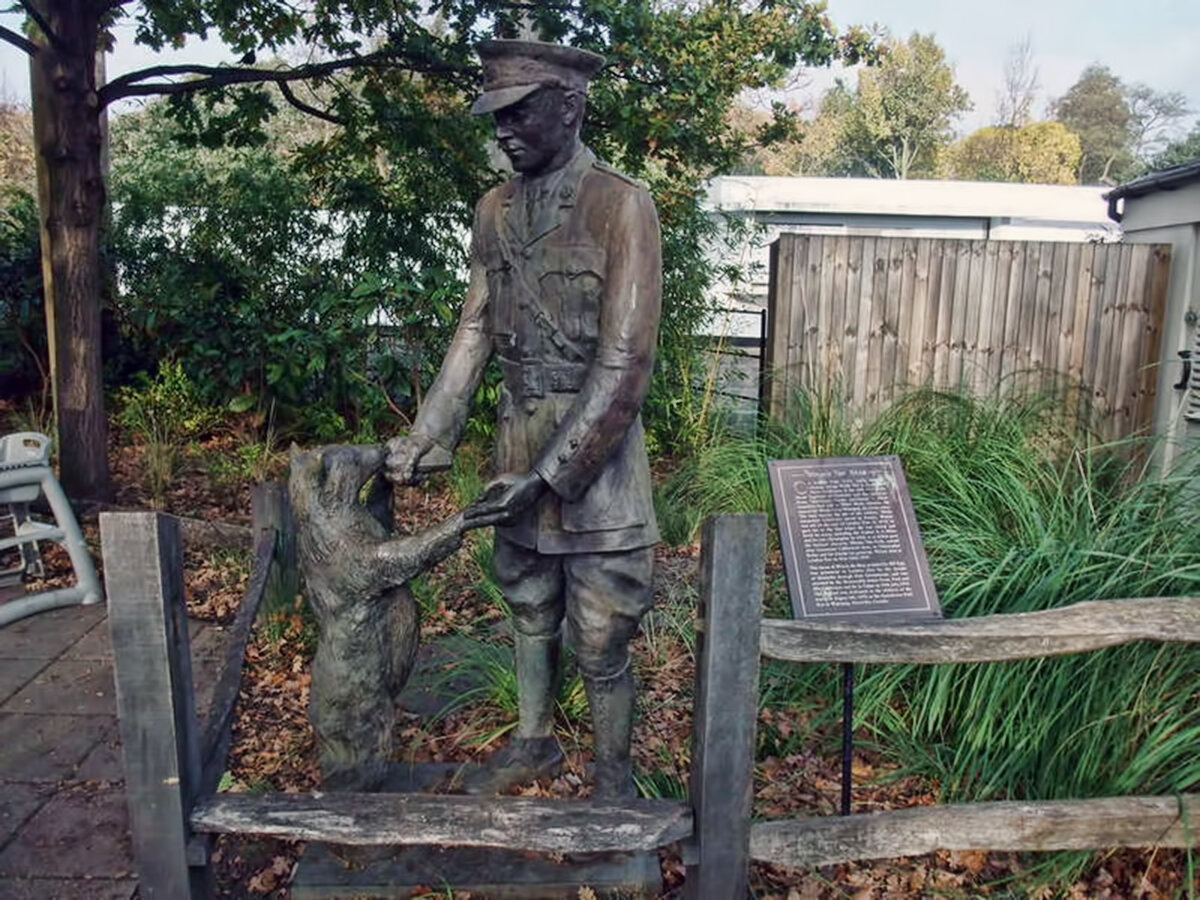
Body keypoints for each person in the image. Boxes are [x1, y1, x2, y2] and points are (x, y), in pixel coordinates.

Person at [385, 37, 662, 799]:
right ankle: (534, 742)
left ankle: (613, 780)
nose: (501, 131)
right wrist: (428, 432)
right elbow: (474, 328)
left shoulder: (620, 204)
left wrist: (545, 479)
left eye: (518, 113)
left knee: (603, 634)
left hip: (595, 467)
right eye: (494, 116)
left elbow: (623, 365)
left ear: (570, 107)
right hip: (517, 445)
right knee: (529, 604)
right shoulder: (493, 209)